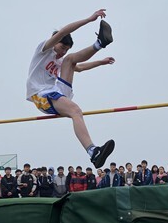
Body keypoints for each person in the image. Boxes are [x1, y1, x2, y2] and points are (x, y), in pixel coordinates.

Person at [26, 9, 115, 168]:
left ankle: (100, 43)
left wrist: (100, 62)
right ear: (55, 41)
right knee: (76, 111)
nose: (62, 52)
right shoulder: (44, 49)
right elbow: (64, 31)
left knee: (70, 60)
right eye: (62, 48)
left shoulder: (61, 60)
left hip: (55, 91)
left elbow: (79, 67)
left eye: (66, 49)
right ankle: (93, 152)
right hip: (40, 95)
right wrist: (89, 19)